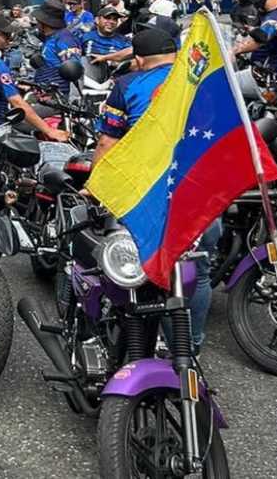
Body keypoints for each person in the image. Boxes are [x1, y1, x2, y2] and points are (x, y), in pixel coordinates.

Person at [93, 28, 218, 350]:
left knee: (145, 270)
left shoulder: (127, 85)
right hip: (202, 190)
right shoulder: (200, 79)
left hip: (151, 195)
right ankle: (190, 345)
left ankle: (151, 344)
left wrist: (95, 185)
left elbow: (108, 141)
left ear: (138, 60)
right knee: (198, 271)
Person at [33, 0, 84, 94]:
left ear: (43, 22)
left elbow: (73, 69)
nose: (36, 22)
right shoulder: (49, 37)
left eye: (38, 20)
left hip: (57, 95)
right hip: (42, 91)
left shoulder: (64, 39)